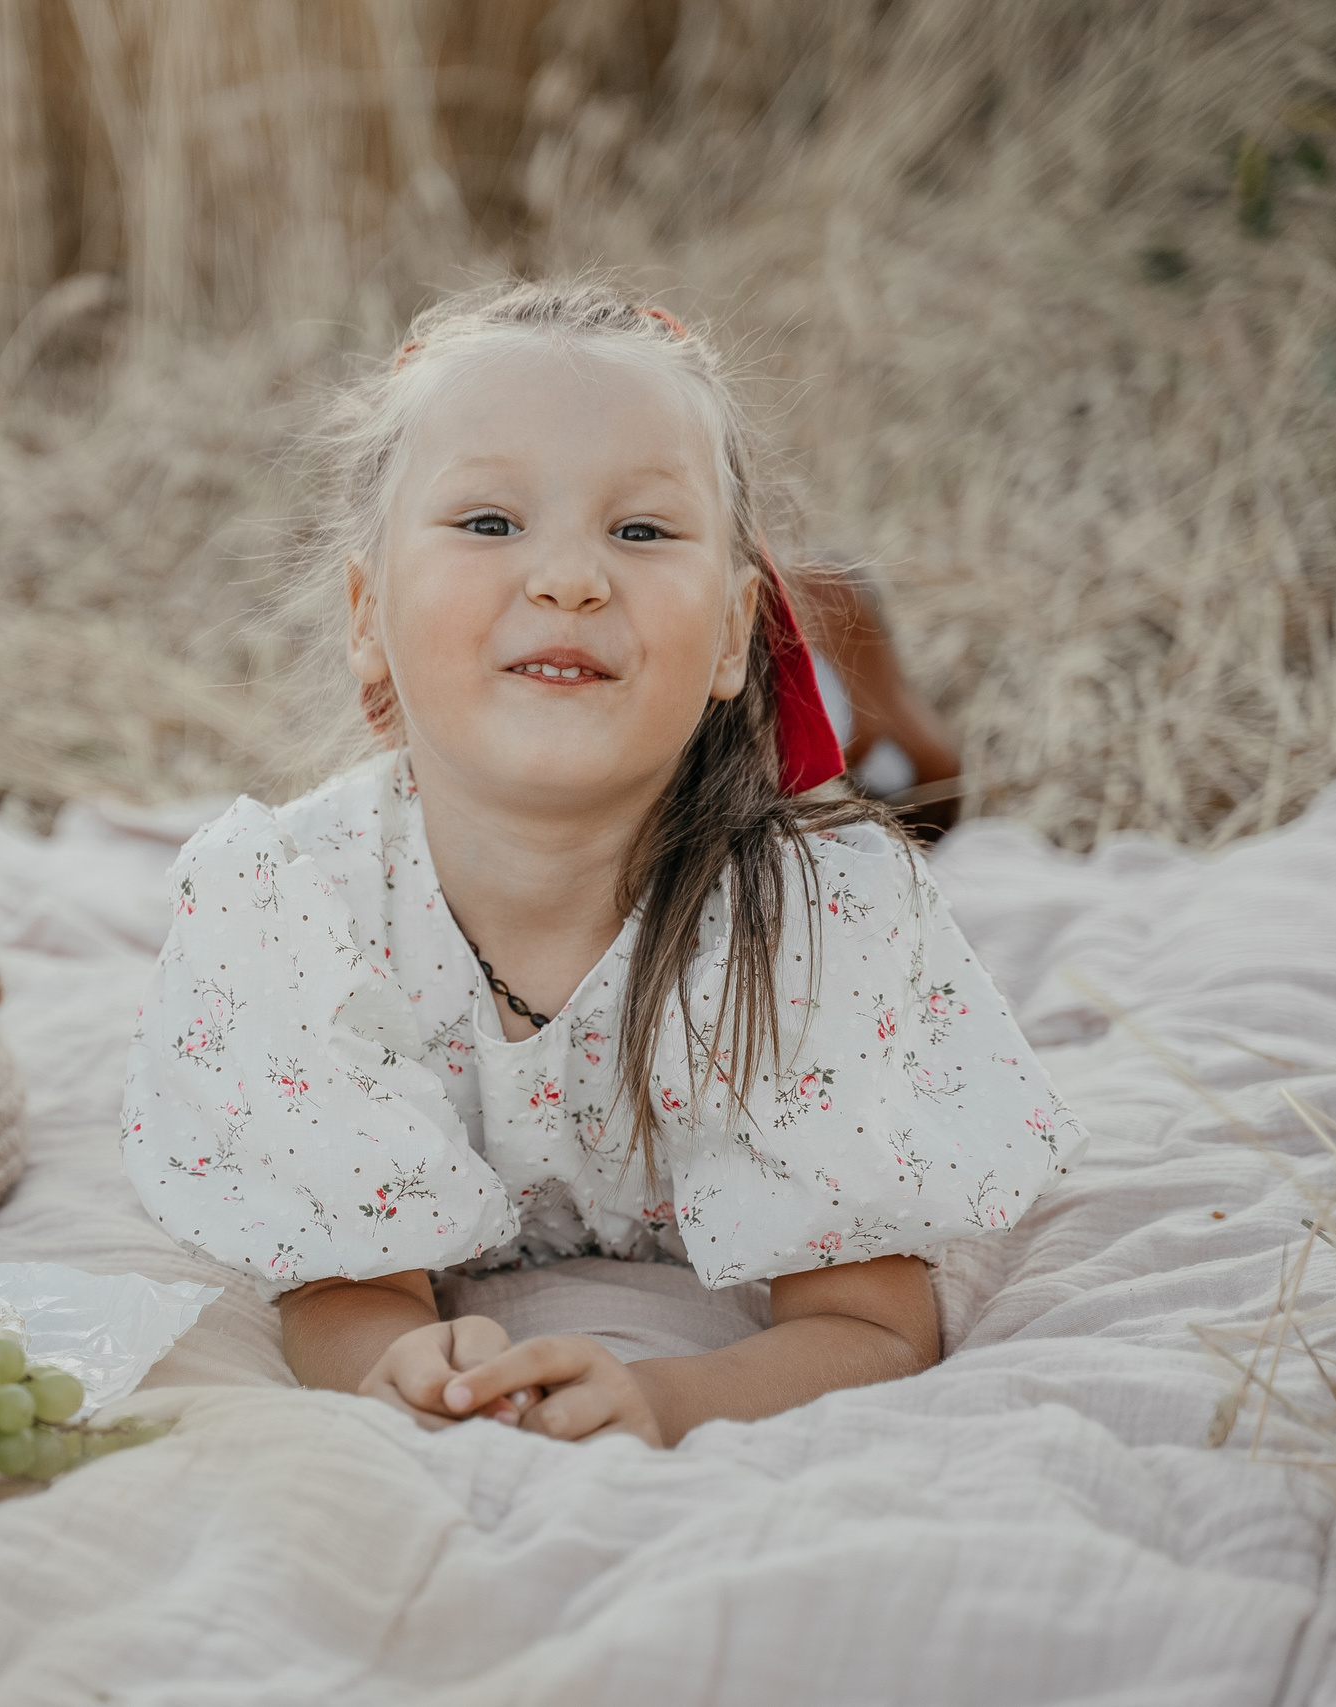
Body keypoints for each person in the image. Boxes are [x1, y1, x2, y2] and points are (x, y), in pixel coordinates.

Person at [117, 279, 1084, 1446]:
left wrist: (666, 1401)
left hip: (751, 793)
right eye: (488, 523)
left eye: (639, 531)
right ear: (367, 617)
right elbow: (344, 1286)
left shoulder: (817, 926)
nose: (568, 578)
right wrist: (411, 1367)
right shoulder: (294, 910)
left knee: (905, 784)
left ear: (732, 632)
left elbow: (871, 1326)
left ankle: (842, 642)